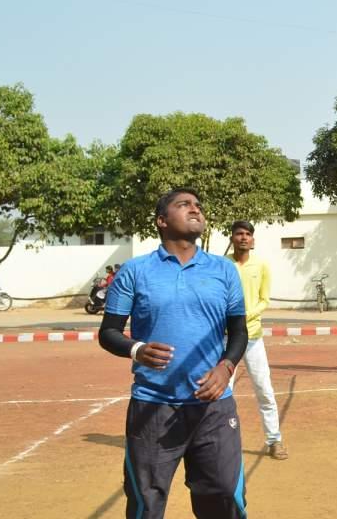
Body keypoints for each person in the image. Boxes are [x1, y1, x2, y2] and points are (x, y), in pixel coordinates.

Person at [98, 188, 248, 519]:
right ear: (162, 221)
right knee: (146, 502)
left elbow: (239, 331)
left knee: (224, 497)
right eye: (184, 205)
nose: (196, 209)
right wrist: (136, 349)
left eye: (198, 205)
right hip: (153, 407)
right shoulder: (135, 271)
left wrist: (226, 367)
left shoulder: (223, 270)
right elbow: (107, 333)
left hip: (214, 407)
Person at [228, 220, 288, 461]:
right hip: (225, 339)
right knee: (223, 391)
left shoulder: (261, 265)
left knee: (264, 389)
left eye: (247, 234)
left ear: (253, 240)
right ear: (232, 238)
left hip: (252, 337)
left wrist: (246, 316)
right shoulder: (223, 265)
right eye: (239, 234)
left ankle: (274, 440)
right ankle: (220, 441)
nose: (243, 237)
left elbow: (264, 299)